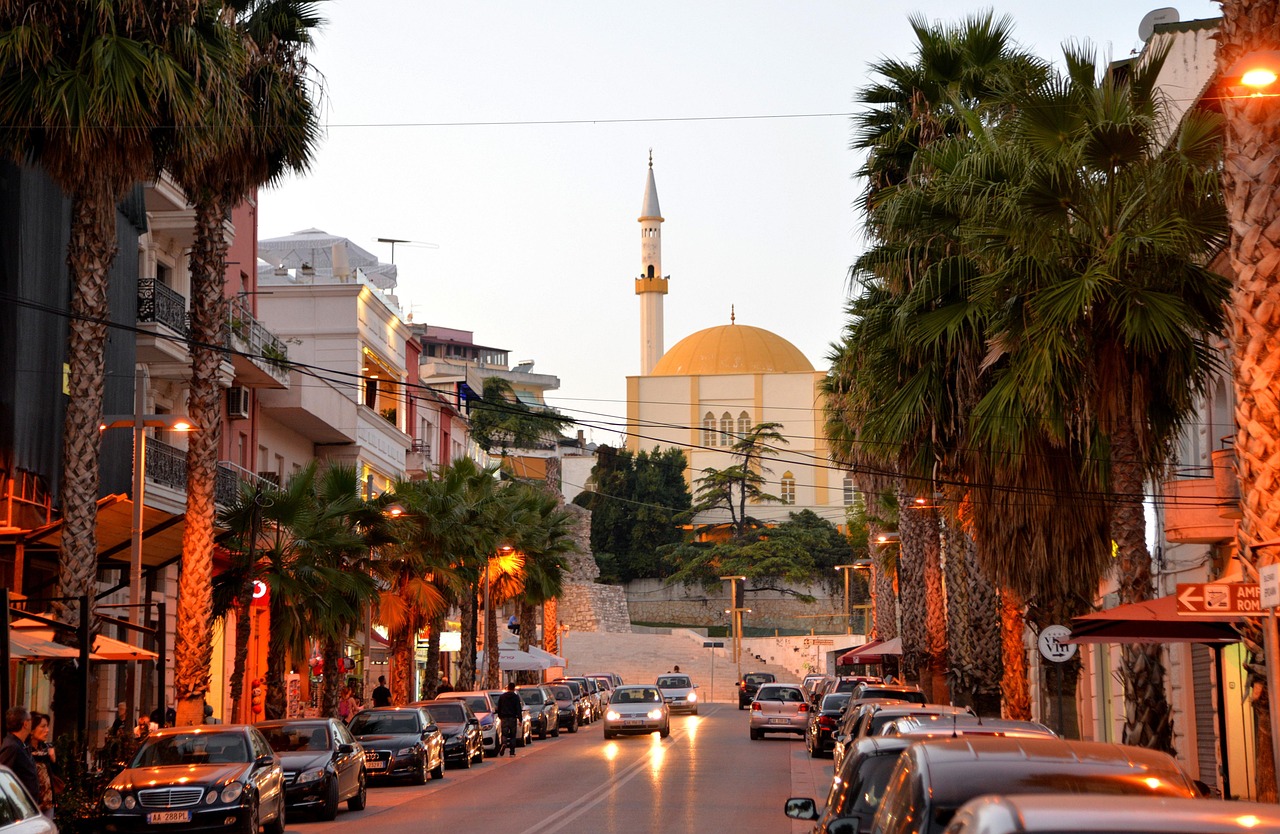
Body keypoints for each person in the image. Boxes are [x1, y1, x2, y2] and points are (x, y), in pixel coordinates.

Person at [0, 706, 40, 804]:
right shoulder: (12, 747)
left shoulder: (21, 744)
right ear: (25, 724)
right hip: (19, 804)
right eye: (30, 720)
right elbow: (3, 776)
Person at [27, 712, 57, 818]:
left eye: (47, 726)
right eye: (43, 726)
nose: (47, 730)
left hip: (47, 803)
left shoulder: (46, 749)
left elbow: (54, 775)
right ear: (31, 730)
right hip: (31, 805)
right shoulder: (24, 751)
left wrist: (53, 760)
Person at [495, 682, 523, 757]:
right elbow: (518, 709)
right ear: (514, 688)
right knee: (513, 736)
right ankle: (512, 752)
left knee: (504, 734)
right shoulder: (516, 697)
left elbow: (499, 708)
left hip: (504, 718)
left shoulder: (502, 697)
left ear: (508, 688)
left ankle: (504, 743)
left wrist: (500, 716)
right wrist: (520, 719)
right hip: (512, 718)